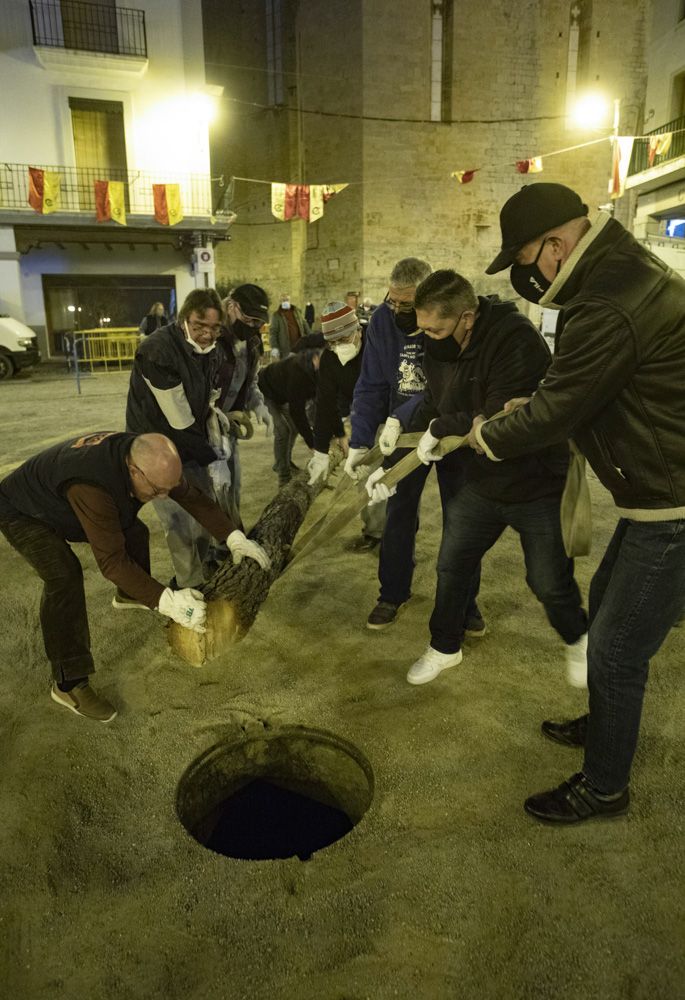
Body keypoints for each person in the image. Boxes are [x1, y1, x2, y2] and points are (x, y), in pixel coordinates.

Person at [471, 181, 685, 824]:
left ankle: (605, 787)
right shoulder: (618, 277)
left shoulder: (606, 301)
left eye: (524, 259)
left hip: (673, 505)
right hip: (658, 494)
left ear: (557, 245)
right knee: (606, 609)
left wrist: (491, 434)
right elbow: (583, 383)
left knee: (616, 648)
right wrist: (531, 404)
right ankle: (606, 725)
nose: (524, 276)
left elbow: (562, 407)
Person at [368, 269, 587, 686]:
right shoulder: (439, 342)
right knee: (452, 564)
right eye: (424, 328)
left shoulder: (515, 340)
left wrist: (439, 429)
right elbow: (434, 399)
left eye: (436, 328)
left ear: (467, 318)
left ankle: (578, 636)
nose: (427, 337)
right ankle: (444, 647)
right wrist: (398, 446)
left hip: (534, 479)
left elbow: (496, 420)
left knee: (546, 578)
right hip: (481, 480)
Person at [0, 432, 270, 723]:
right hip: (22, 510)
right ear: (133, 470)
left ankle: (129, 594)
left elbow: (192, 497)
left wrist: (232, 536)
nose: (164, 497)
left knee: (133, 529)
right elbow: (112, 562)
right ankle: (68, 684)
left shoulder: (153, 461)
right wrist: (166, 602)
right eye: (156, 490)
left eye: (167, 489)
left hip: (60, 495)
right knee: (63, 574)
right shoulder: (91, 486)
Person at [126, 288, 228, 588]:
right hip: (155, 446)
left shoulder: (210, 349)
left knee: (203, 509)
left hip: (188, 438)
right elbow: (179, 419)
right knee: (177, 520)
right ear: (184, 319)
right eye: (200, 326)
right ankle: (189, 585)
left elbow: (204, 398)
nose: (207, 334)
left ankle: (200, 568)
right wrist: (213, 456)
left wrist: (216, 419)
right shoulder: (156, 351)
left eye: (214, 328)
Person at [306, 303, 380, 540]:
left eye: (344, 337)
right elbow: (325, 403)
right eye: (333, 342)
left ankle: (397, 532)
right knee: (365, 475)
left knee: (392, 476)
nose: (340, 346)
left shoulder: (376, 343)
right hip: (359, 415)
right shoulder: (329, 359)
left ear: (357, 328)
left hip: (388, 414)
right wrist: (320, 452)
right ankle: (374, 532)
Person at [215, 285, 273, 525]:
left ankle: (226, 547)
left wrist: (258, 404)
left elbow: (250, 383)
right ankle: (213, 553)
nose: (253, 327)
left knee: (233, 487)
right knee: (212, 492)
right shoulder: (214, 342)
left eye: (258, 323)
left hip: (230, 428)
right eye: (249, 320)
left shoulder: (252, 343)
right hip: (205, 427)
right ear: (231, 307)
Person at [258, 347, 321, 487]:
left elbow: (322, 405)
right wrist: (312, 444)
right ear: (315, 358)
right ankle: (283, 476)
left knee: (294, 428)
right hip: (265, 391)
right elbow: (297, 412)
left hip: (281, 393)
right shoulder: (299, 372)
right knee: (282, 430)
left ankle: (284, 462)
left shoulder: (319, 371)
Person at [269, 295, 311, 360]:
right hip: (286, 348)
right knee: (288, 367)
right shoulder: (277, 315)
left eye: (287, 300)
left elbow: (304, 325)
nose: (285, 301)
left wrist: (311, 337)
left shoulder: (297, 311)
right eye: (283, 300)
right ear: (280, 302)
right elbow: (273, 332)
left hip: (300, 346)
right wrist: (274, 347)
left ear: (290, 300)